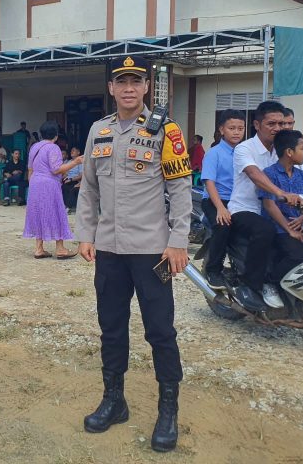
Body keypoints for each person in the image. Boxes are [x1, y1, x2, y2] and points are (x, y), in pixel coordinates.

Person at [75, 56, 192, 453]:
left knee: (160, 330)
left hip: (152, 252)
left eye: (135, 81)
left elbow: (179, 189)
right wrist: (85, 234)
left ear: (147, 87)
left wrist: (178, 241)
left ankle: (168, 409)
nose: (128, 88)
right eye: (121, 81)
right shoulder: (99, 130)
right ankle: (114, 400)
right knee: (111, 327)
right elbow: (88, 187)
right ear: (111, 87)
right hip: (109, 250)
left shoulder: (165, 130)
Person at [227, 101, 302, 311]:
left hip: (273, 209)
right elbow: (254, 174)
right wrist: (280, 193)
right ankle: (252, 286)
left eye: (280, 123)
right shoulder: (245, 148)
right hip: (245, 208)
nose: (277, 128)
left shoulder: (280, 150)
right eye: (271, 123)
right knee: (264, 230)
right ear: (257, 125)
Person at [258, 130, 303, 287]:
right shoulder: (269, 174)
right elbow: (269, 204)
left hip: (301, 225)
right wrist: (290, 231)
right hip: (278, 227)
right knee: (298, 256)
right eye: (302, 149)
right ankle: (269, 283)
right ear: (289, 152)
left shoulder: (302, 176)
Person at [22, 121, 82, 259]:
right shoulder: (53, 148)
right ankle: (60, 248)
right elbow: (56, 170)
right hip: (49, 183)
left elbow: (30, 169)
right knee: (55, 211)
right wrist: (75, 162)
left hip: (35, 182)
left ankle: (39, 248)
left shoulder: (34, 147)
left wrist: (32, 185)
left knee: (39, 212)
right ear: (56, 135)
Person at [200, 109, 245, 289]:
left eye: (240, 128)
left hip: (237, 200)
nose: (236, 132)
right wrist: (220, 208)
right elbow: (209, 182)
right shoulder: (214, 153)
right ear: (221, 130)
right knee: (223, 225)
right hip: (215, 199)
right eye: (231, 128)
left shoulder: (244, 152)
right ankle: (213, 270)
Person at [62, 146, 83, 212]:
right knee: (61, 187)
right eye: (71, 150)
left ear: (78, 152)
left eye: (73, 150)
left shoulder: (80, 161)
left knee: (69, 188)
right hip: (67, 180)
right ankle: (63, 206)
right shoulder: (69, 162)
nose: (71, 152)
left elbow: (81, 175)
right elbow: (66, 173)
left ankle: (69, 207)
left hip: (76, 180)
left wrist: (71, 180)